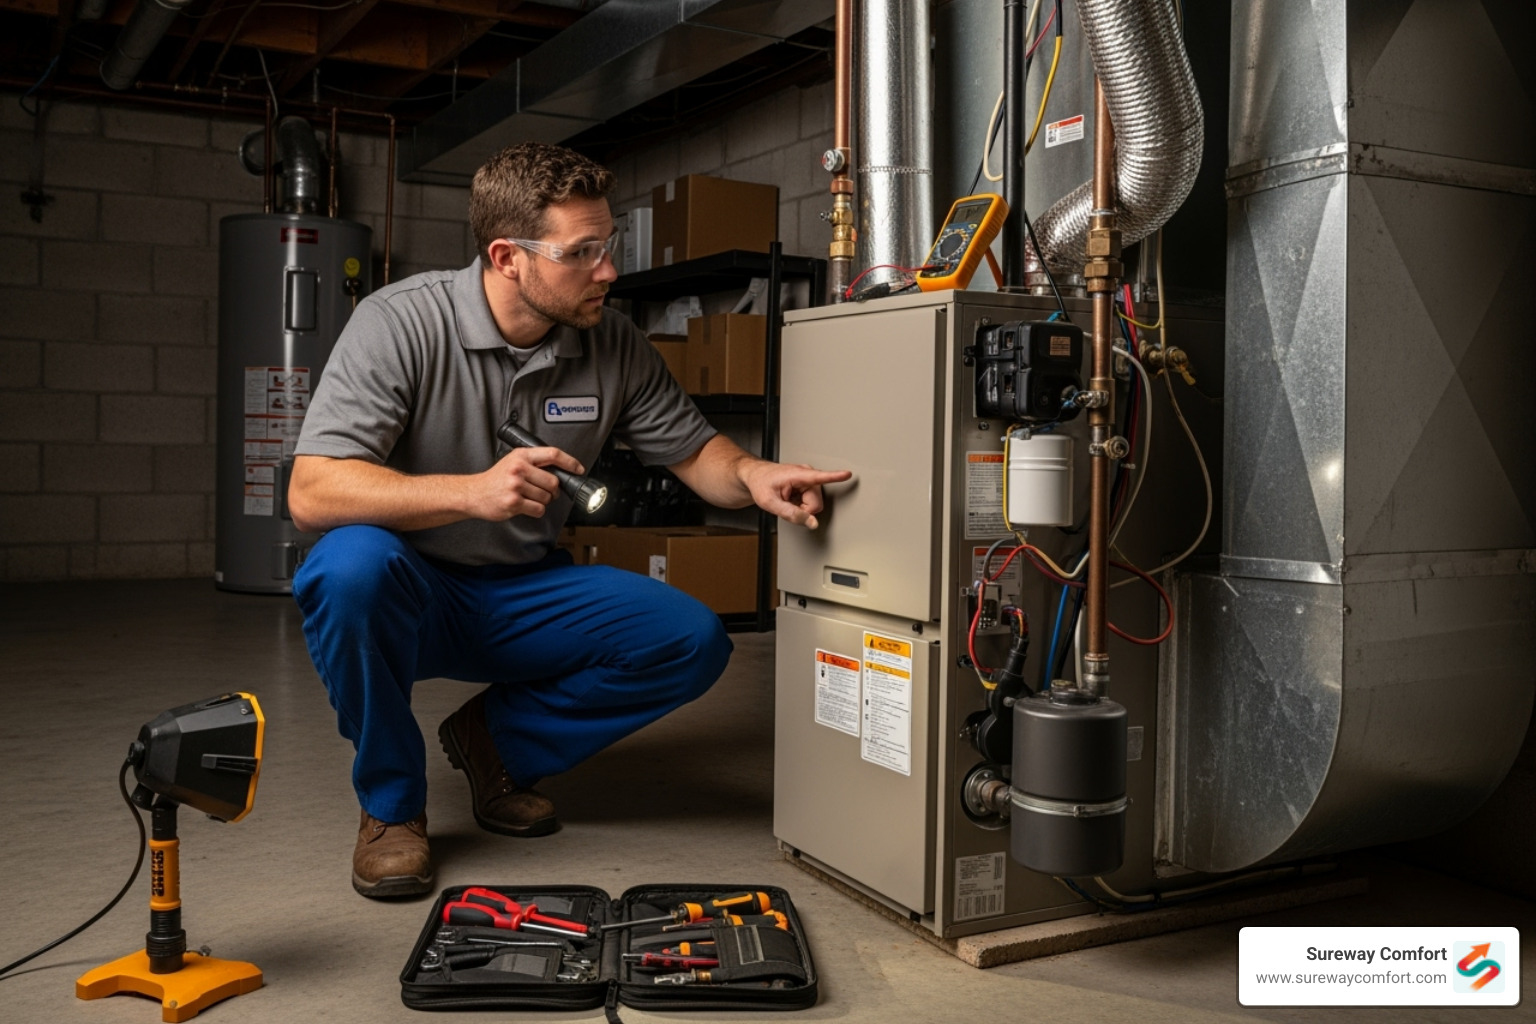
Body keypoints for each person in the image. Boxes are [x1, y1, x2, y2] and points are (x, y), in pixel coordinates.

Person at [287, 142, 850, 898]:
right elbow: (312, 492)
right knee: (347, 567)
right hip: (410, 589)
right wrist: (468, 494)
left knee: (691, 639)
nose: (608, 270)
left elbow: (693, 454)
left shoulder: (610, 340)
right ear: (507, 257)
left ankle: (495, 746)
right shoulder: (399, 325)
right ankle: (391, 808)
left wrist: (753, 473)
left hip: (523, 589)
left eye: (606, 245)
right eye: (580, 252)